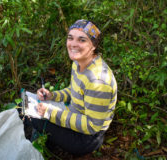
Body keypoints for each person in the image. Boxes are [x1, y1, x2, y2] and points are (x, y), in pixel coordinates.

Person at [26, 19, 117, 156]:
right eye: (70, 38)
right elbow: (72, 89)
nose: (73, 44)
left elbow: (92, 126)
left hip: (86, 138)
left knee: (33, 118)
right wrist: (52, 95)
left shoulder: (98, 81)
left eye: (82, 40)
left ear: (94, 45)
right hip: (75, 114)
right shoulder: (78, 62)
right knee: (31, 108)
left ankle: (43, 145)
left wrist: (50, 113)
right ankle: (49, 141)